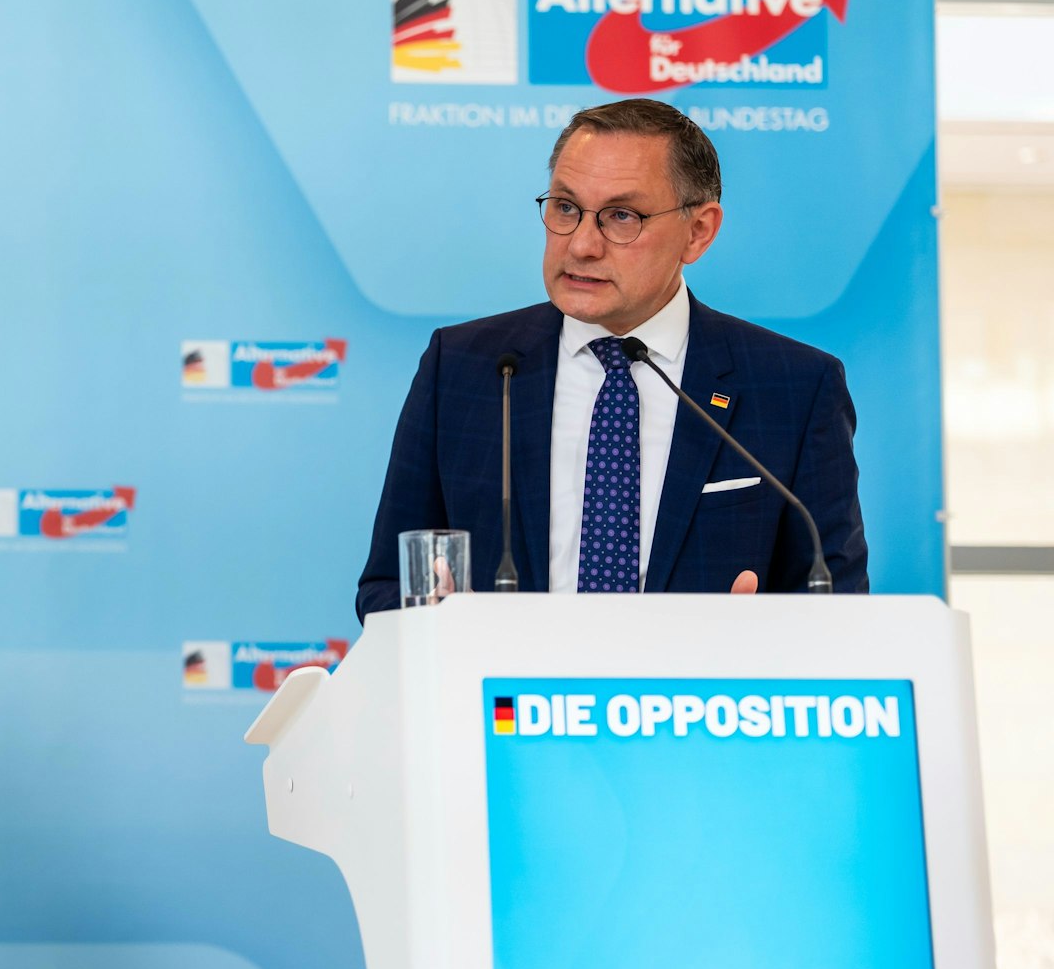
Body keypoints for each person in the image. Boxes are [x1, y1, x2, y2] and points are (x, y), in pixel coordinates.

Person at [356, 98, 867, 616]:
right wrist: (440, 628)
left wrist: (755, 652)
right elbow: (388, 584)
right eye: (565, 208)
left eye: (621, 216)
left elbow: (834, 604)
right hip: (504, 694)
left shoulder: (795, 388)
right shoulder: (465, 367)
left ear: (699, 231)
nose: (581, 245)